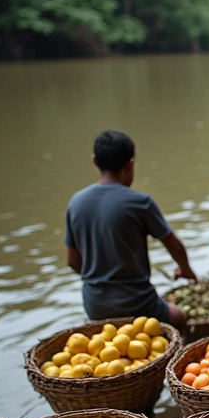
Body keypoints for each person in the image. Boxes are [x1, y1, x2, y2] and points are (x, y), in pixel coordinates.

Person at [65, 130, 196, 334]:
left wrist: (102, 277)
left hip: (94, 305)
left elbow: (73, 262)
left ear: (94, 161)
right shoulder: (139, 202)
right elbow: (173, 244)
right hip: (136, 303)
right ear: (130, 164)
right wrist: (185, 269)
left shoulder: (76, 203)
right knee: (179, 318)